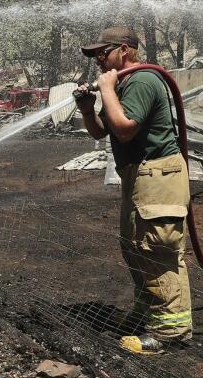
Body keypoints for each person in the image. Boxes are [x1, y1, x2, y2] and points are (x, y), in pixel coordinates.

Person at [74, 26, 192, 355]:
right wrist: (87, 106)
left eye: (103, 52)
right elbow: (101, 130)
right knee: (134, 246)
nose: (98, 59)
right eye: (94, 54)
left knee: (157, 250)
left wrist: (108, 88)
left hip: (157, 174)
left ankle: (171, 331)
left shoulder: (141, 80)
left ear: (124, 50)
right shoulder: (123, 83)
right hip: (138, 176)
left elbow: (125, 130)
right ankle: (148, 315)